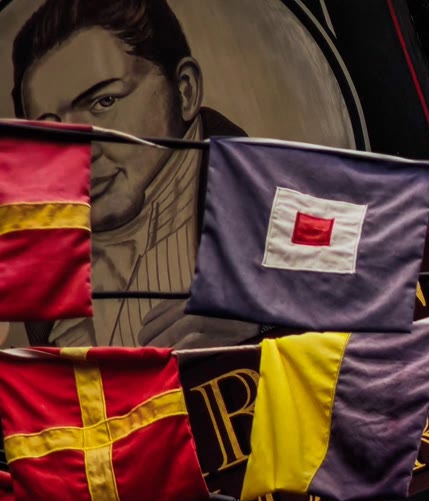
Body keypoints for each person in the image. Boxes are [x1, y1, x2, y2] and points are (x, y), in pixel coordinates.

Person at [11, 0, 251, 346]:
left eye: (103, 102)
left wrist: (268, 321)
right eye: (52, 130)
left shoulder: (272, 207)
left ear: (184, 90)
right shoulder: (42, 274)